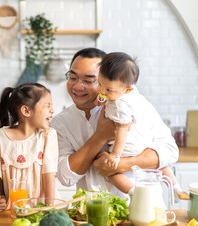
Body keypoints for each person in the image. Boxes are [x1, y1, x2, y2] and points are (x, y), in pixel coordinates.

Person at [50, 48, 178, 199]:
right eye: (72, 77)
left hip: (144, 209)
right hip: (93, 214)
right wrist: (100, 136)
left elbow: (170, 151)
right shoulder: (60, 123)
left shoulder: (134, 104)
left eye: (90, 80)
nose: (78, 86)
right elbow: (65, 177)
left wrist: (119, 164)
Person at [95, 52, 181, 197]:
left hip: (127, 147)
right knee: (160, 164)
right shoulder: (129, 91)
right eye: (100, 84)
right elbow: (109, 91)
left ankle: (134, 192)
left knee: (110, 171)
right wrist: (104, 96)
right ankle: (176, 187)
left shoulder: (120, 104)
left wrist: (115, 155)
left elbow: (122, 129)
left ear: (127, 89)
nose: (102, 90)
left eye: (108, 90)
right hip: (145, 145)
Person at [0, 83, 58, 208]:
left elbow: (49, 175)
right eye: (47, 105)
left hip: (41, 210)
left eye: (52, 105)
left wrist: (48, 210)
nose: (52, 110)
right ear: (26, 110)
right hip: (11, 213)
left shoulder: (47, 136)